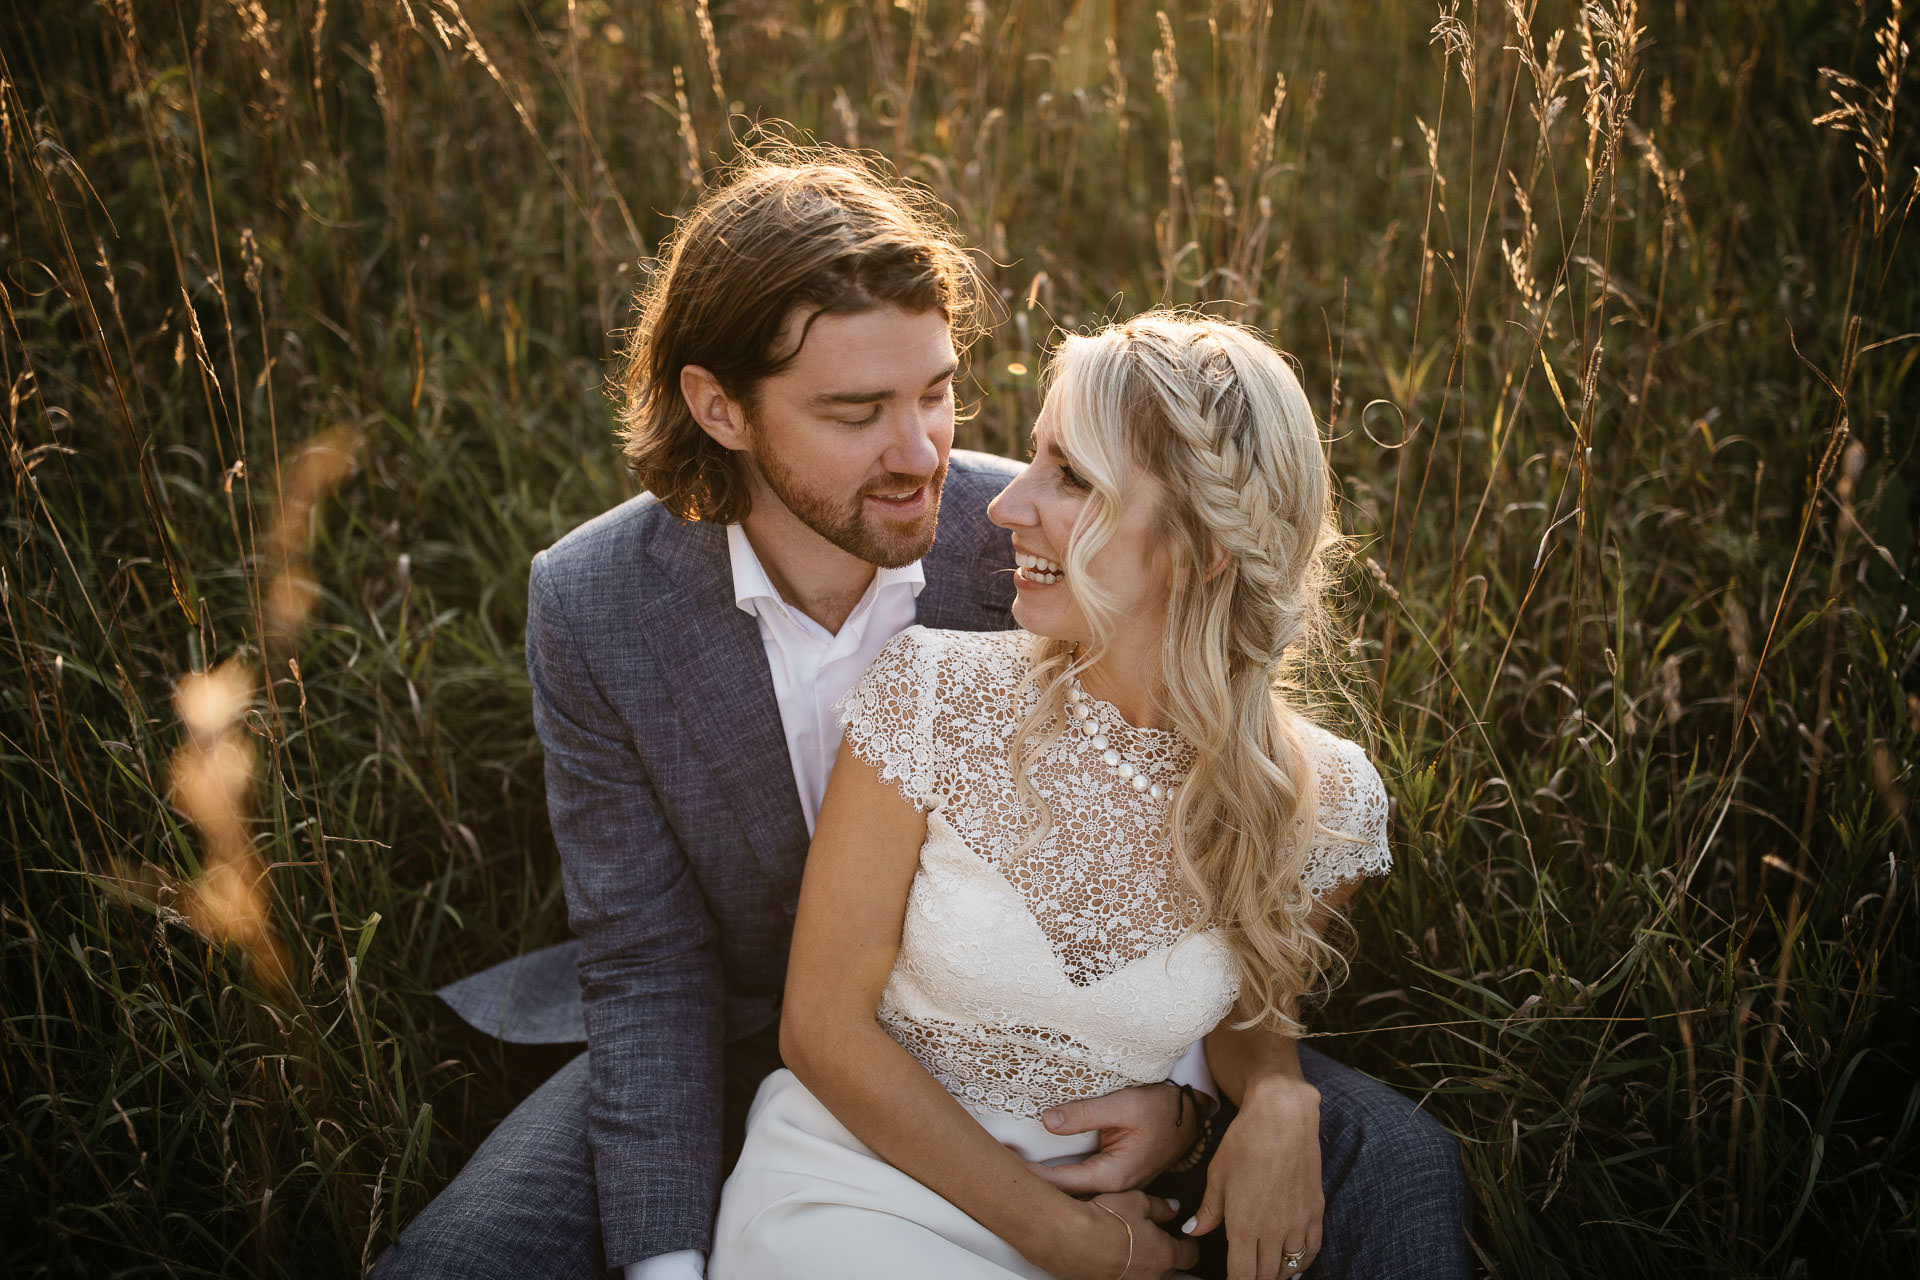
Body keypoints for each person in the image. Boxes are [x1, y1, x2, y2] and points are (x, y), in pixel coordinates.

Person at [375, 150, 1266, 1280]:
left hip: (1005, 1030)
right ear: (720, 407)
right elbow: (648, 961)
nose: (922, 452)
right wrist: (665, 1265)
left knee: (1399, 1163)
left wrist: (1234, 1097)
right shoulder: (594, 602)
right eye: (856, 411)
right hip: (719, 1030)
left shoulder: (1041, 536)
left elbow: (1190, 838)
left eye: (937, 391)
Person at [709, 312, 1474, 1279]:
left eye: (1072, 477)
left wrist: (1279, 1094)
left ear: (1205, 546)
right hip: (857, 1194)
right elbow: (819, 1029)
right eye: (1034, 460)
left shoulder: (1325, 804)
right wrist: (1064, 1240)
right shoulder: (930, 696)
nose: (1006, 504)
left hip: (1126, 1218)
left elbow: (1245, 1012)